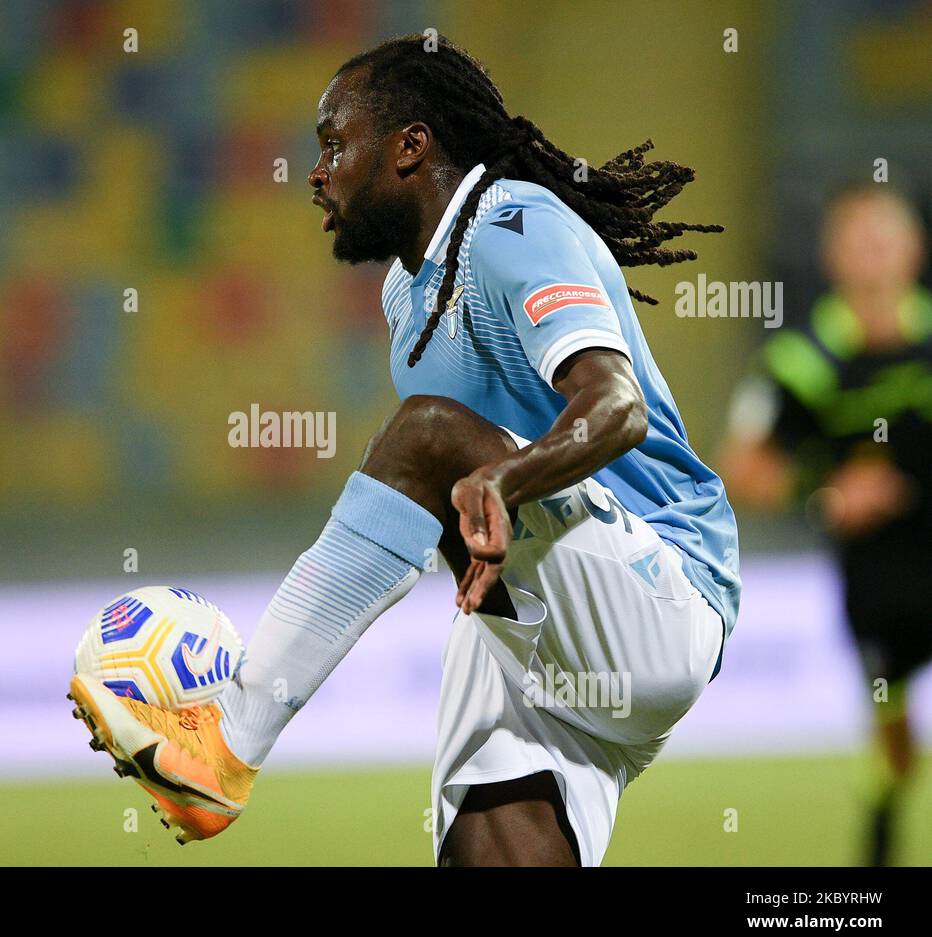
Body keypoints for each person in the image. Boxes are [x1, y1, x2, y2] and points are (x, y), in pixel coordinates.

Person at [71, 34, 740, 866]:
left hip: (662, 587)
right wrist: (488, 500)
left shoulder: (514, 225)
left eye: (331, 143)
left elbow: (616, 407)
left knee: (424, 431)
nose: (315, 172)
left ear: (410, 146)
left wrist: (505, 477)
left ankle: (230, 740)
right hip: (544, 635)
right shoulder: (405, 295)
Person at [721, 186, 931, 866]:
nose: (873, 253)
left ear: (915, 249)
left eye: (885, 236)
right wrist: (826, 492)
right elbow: (740, 468)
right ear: (831, 256)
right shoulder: (799, 363)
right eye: (857, 238)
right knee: (893, 742)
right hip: (877, 587)